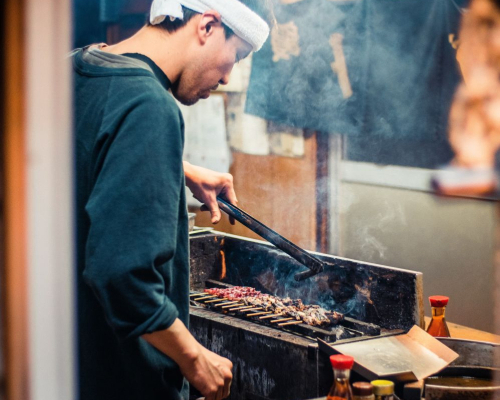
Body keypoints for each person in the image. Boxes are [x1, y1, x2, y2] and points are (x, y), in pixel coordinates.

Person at [72, 1, 274, 399]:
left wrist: (173, 166)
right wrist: (194, 358)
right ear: (208, 25)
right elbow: (122, 275)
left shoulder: (78, 66)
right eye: (235, 56)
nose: (228, 76)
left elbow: (81, 147)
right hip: (117, 378)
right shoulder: (150, 106)